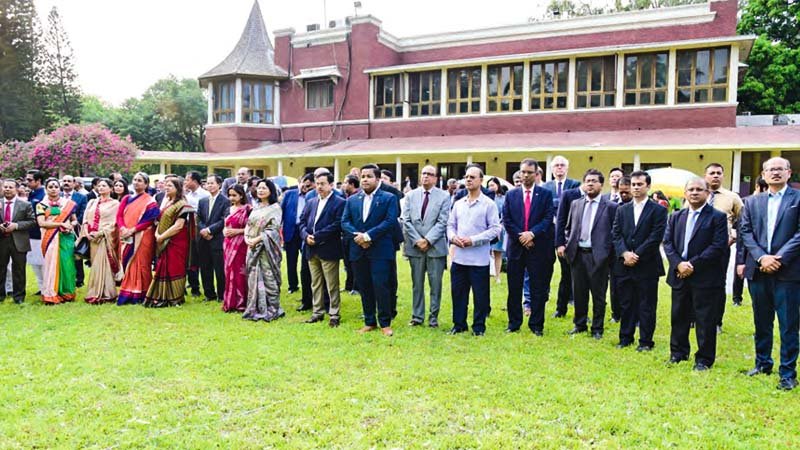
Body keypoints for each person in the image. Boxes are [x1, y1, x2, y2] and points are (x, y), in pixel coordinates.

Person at [740, 157, 800, 391]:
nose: (775, 173)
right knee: (761, 320)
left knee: (788, 324)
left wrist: (778, 258)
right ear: (763, 175)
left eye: (779, 169)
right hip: (759, 271)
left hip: (788, 272)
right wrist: (761, 257)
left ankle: (788, 372)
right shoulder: (752, 202)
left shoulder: (797, 199)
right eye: (770, 170)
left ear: (789, 173)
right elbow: (745, 232)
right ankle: (762, 362)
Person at [663, 178, 728, 371]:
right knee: (678, 316)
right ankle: (678, 353)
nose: (694, 192)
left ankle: (704, 359)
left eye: (699, 189)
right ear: (684, 193)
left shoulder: (717, 217)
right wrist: (678, 264)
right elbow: (667, 243)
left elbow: (718, 246)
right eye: (690, 189)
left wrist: (691, 264)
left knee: (705, 319)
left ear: (707, 193)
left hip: (704, 276)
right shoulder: (676, 216)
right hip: (679, 275)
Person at [611, 171, 667, 351]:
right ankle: (625, 337)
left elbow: (655, 236)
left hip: (647, 264)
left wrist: (637, 255)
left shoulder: (658, 210)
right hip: (624, 264)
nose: (635, 187)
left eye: (639, 184)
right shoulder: (622, 209)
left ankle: (645, 341)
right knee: (626, 303)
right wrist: (625, 253)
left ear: (648, 186)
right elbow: (616, 234)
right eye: (633, 184)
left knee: (646, 305)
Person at [341, 164, 400, 336]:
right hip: (358, 250)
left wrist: (368, 236)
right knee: (364, 286)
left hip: (380, 250)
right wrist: (358, 237)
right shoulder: (352, 199)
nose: (365, 179)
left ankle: (385, 323)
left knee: (381, 286)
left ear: (378, 179)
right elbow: (345, 222)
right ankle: (369, 321)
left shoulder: (389, 198)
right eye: (363, 176)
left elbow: (389, 221)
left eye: (369, 176)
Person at [558, 169, 617, 339]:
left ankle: (597, 328)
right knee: (579, 292)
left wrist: (607, 253)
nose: (590, 184)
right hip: (577, 254)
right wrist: (569, 244)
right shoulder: (576, 204)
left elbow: (615, 232)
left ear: (601, 184)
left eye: (594, 181)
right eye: (587, 181)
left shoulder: (611, 207)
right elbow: (569, 227)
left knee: (598, 294)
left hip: (599, 256)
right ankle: (580, 324)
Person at [447, 165, 502, 336]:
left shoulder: (488, 204)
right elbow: (450, 225)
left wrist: (473, 240)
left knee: (480, 296)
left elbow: (495, 229)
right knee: (458, 294)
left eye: (472, 177)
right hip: (459, 258)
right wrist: (453, 237)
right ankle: (459, 324)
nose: (468, 179)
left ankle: (478, 327)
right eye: (466, 177)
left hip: (479, 259)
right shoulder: (458, 204)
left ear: (481, 180)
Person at [503, 159, 554, 336]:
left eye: (529, 172)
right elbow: (507, 220)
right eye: (522, 172)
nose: (525, 175)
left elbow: (548, 219)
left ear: (536, 174)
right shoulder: (511, 195)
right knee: (514, 287)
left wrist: (532, 234)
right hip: (516, 248)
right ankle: (514, 322)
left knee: (537, 288)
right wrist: (521, 236)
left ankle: (536, 324)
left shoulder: (545, 194)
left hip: (537, 247)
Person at [403, 165, 450, 328]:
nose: (426, 177)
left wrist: (428, 240)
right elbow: (406, 220)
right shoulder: (410, 196)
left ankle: (433, 317)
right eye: (423, 174)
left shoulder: (444, 196)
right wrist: (417, 240)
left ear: (436, 178)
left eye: (430, 174)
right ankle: (417, 316)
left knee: (435, 284)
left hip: (435, 247)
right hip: (415, 247)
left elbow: (443, 221)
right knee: (417, 284)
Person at [299, 172, 346, 327]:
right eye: (317, 183)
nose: (319, 186)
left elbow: (337, 224)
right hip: (311, 248)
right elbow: (302, 222)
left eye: (323, 183)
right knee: (316, 283)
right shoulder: (311, 201)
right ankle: (317, 312)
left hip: (328, 248)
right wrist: (306, 236)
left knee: (332, 284)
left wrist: (317, 236)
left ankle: (334, 313)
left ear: (331, 185)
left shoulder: (339, 202)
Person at [144, 177, 196, 308]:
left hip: (176, 241)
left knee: (174, 267)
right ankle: (162, 295)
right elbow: (160, 221)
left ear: (178, 189)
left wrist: (162, 237)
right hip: (164, 239)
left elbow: (179, 225)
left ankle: (175, 297)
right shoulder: (167, 202)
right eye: (165, 185)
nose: (166, 188)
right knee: (162, 266)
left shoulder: (182, 204)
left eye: (170, 186)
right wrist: (157, 234)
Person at [704, 163, 744, 331]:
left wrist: (734, 236)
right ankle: (694, 318)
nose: (715, 176)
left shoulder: (732, 197)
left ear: (723, 175)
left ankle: (716, 321)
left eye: (718, 173)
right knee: (696, 284)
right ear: (705, 176)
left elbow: (743, 220)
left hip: (721, 247)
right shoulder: (698, 193)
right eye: (712, 173)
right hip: (698, 247)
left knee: (718, 284)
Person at [243, 178, 285, 321]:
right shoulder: (256, 207)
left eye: (264, 188)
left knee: (268, 277)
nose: (260, 190)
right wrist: (247, 238)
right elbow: (248, 225)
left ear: (270, 191)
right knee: (252, 278)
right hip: (252, 247)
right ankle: (256, 308)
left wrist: (257, 239)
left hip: (267, 249)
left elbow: (273, 230)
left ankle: (272, 308)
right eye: (259, 188)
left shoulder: (275, 208)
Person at [544, 156, 581, 319]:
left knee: (568, 271)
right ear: (552, 169)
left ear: (567, 168)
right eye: (556, 166)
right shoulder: (545, 187)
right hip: (548, 232)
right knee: (545, 269)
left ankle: (566, 303)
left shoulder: (575, 186)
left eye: (562, 165)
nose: (559, 168)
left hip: (567, 234)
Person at [117, 173, 160, 305]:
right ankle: (127, 292)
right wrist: (123, 228)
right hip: (125, 236)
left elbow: (149, 220)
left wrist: (133, 230)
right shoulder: (126, 198)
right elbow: (119, 216)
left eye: (140, 181)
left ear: (146, 184)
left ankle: (141, 293)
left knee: (141, 263)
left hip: (142, 236)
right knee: (126, 262)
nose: (136, 183)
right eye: (135, 180)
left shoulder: (150, 201)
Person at [36, 177, 79, 304]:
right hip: (50, 238)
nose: (53, 189)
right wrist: (61, 224)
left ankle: (67, 292)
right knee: (51, 265)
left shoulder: (68, 204)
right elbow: (41, 223)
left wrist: (71, 226)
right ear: (46, 189)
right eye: (50, 187)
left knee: (67, 264)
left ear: (59, 188)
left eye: (56, 186)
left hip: (66, 238)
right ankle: (50, 293)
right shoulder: (41, 205)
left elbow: (74, 220)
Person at [81, 178, 121, 304]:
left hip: (105, 238)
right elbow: (85, 219)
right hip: (92, 239)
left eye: (104, 185)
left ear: (111, 188)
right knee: (95, 265)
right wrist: (87, 232)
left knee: (104, 265)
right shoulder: (92, 202)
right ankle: (94, 291)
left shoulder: (115, 204)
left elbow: (114, 223)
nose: (101, 188)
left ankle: (107, 293)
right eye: (99, 186)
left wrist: (101, 233)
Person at [0, 179, 36, 304]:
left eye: (10, 187)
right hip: (2, 240)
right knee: (1, 269)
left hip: (19, 241)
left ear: (16, 189)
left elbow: (32, 221)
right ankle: (0, 296)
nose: (7, 189)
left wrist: (16, 225)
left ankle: (19, 297)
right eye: (5, 187)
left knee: (19, 270)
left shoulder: (25, 205)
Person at [281, 173, 314, 306]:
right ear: (299, 182)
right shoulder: (290, 194)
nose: (305, 187)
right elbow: (282, 210)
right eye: (303, 184)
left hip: (305, 231)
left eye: (308, 185)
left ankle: (309, 287)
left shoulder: (312, 196)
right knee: (291, 259)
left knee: (306, 260)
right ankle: (292, 285)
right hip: (291, 230)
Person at [197, 175, 229, 302]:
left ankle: (222, 295)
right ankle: (209, 294)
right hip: (203, 239)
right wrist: (203, 229)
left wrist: (210, 230)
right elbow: (198, 217)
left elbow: (223, 219)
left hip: (217, 238)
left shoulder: (225, 200)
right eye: (207, 183)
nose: (209, 185)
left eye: (212, 183)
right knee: (205, 268)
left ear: (219, 185)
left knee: (220, 268)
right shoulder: (203, 201)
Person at [222, 185, 251, 312]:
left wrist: (237, 231)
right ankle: (230, 301)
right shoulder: (229, 209)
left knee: (240, 273)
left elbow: (252, 228)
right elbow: (226, 224)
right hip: (228, 244)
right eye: (230, 195)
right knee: (229, 272)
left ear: (241, 195)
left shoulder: (248, 209)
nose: (232, 198)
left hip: (241, 245)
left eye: (234, 195)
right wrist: (225, 231)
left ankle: (241, 302)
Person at [608, 175, 633, 322]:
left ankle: (632, 315)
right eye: (621, 192)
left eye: (626, 192)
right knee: (615, 286)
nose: (623, 195)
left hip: (635, 253)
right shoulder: (613, 205)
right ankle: (616, 314)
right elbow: (613, 231)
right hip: (617, 252)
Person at [184, 171, 209, 297]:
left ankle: (208, 289)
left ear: (194, 181)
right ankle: (194, 287)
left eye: (187, 179)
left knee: (202, 259)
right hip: (188, 229)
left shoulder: (205, 195)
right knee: (190, 259)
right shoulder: (187, 195)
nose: (185, 182)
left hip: (201, 230)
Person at [60, 174, 88, 287]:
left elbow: (83, 213)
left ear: (74, 183)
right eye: (64, 181)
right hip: (59, 230)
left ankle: (79, 279)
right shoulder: (58, 196)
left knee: (76, 254)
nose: (66, 183)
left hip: (75, 230)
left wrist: (71, 225)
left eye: (69, 181)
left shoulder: (81, 197)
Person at [25, 170, 46, 292]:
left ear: (38, 181)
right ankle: (41, 287)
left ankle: (46, 287)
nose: (27, 182)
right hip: (30, 233)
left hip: (41, 234)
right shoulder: (31, 194)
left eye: (30, 180)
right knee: (33, 261)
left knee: (42, 262)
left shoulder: (43, 195)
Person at [341, 174, 361, 294]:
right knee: (347, 261)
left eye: (345, 182)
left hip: (355, 235)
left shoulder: (358, 198)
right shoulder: (347, 197)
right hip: (346, 234)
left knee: (355, 262)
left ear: (352, 184)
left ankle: (356, 287)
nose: (343, 185)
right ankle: (349, 285)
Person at [487, 177, 507, 284]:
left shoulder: (503, 198)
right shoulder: (485, 198)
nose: (490, 188)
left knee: (497, 252)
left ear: (498, 186)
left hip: (499, 227)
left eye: (493, 185)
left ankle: (497, 276)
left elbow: (505, 213)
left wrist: (500, 225)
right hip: (486, 228)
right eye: (489, 185)